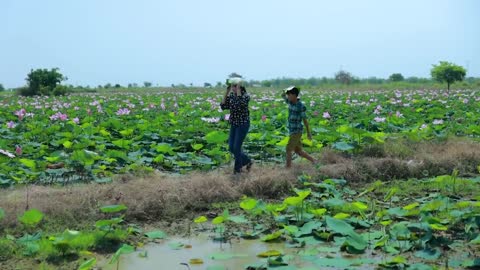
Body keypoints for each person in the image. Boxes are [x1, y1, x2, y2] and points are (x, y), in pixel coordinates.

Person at [220, 78, 253, 175]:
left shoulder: (246, 96)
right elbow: (223, 106)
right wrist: (226, 91)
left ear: (240, 87)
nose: (233, 88)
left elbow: (240, 104)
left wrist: (238, 90)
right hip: (234, 124)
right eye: (232, 86)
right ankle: (247, 161)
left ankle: (237, 171)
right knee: (231, 147)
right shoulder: (231, 96)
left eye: (235, 86)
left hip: (243, 124)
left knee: (236, 148)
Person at [282, 86, 316, 168]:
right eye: (288, 95)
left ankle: (288, 169)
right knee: (298, 151)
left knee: (288, 149)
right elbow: (282, 95)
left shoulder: (300, 106)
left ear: (294, 95)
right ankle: (314, 161)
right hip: (291, 130)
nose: (288, 96)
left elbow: (305, 120)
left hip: (297, 131)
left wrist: (309, 133)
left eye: (289, 95)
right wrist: (286, 90)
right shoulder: (290, 102)